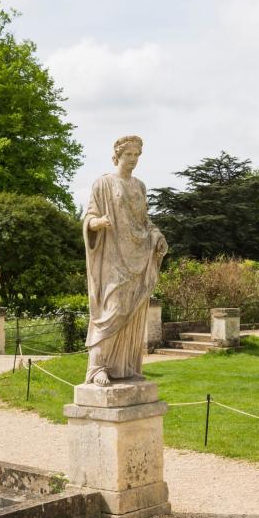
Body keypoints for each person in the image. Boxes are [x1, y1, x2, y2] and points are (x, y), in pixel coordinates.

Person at [83, 135, 168, 385]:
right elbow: (90, 215)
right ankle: (97, 366)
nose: (133, 159)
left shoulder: (140, 186)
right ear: (118, 156)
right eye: (128, 155)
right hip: (112, 258)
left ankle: (125, 367)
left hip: (138, 255)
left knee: (132, 311)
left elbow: (144, 221)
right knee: (113, 310)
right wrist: (96, 223)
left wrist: (156, 235)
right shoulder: (103, 184)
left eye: (136, 155)